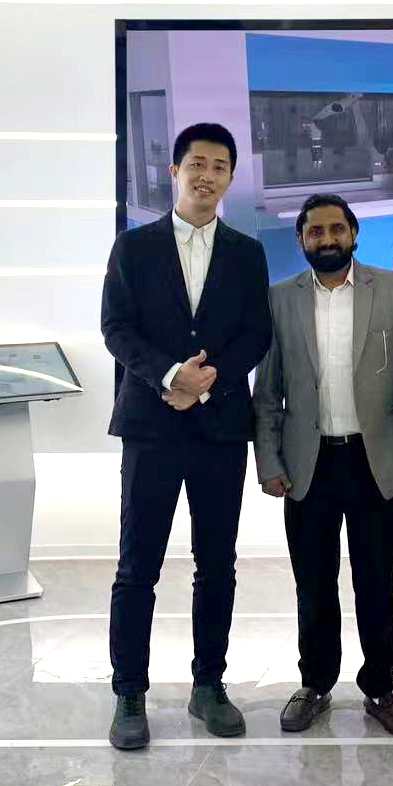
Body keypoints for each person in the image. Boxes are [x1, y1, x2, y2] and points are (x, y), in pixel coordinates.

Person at [100, 122, 273, 751]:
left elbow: (257, 333)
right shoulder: (133, 247)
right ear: (174, 171)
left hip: (219, 430)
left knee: (217, 565)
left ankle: (209, 686)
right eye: (197, 163)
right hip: (150, 427)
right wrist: (170, 376)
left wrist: (206, 382)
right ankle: (129, 693)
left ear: (230, 178)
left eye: (219, 166)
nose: (207, 175)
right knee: (136, 566)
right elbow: (116, 328)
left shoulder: (246, 253)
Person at [253, 194, 393, 737]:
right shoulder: (280, 300)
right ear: (301, 240)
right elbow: (267, 392)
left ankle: (380, 687)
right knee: (313, 584)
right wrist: (268, 459)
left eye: (336, 229)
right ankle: (314, 684)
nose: (327, 239)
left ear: (354, 234)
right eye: (315, 232)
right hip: (307, 464)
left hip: (372, 460)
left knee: (375, 582)